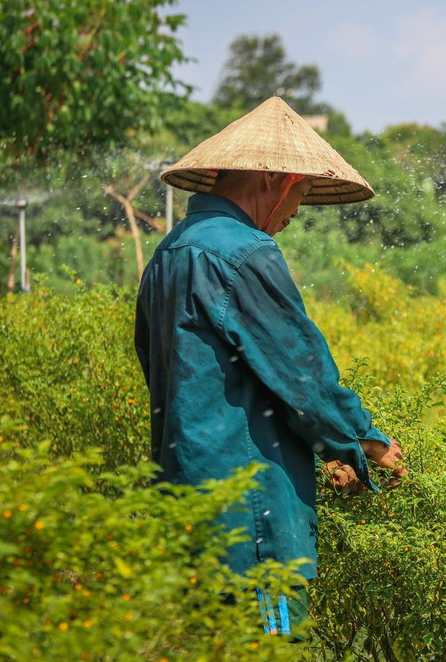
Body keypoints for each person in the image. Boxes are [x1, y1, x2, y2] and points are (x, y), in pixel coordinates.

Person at [135, 97, 406, 638]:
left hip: (183, 510)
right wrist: (366, 444)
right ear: (276, 179)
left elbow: (208, 378)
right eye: (302, 191)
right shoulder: (244, 252)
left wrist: (322, 448)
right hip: (250, 522)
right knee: (270, 645)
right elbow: (301, 376)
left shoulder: (168, 254)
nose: (297, 210)